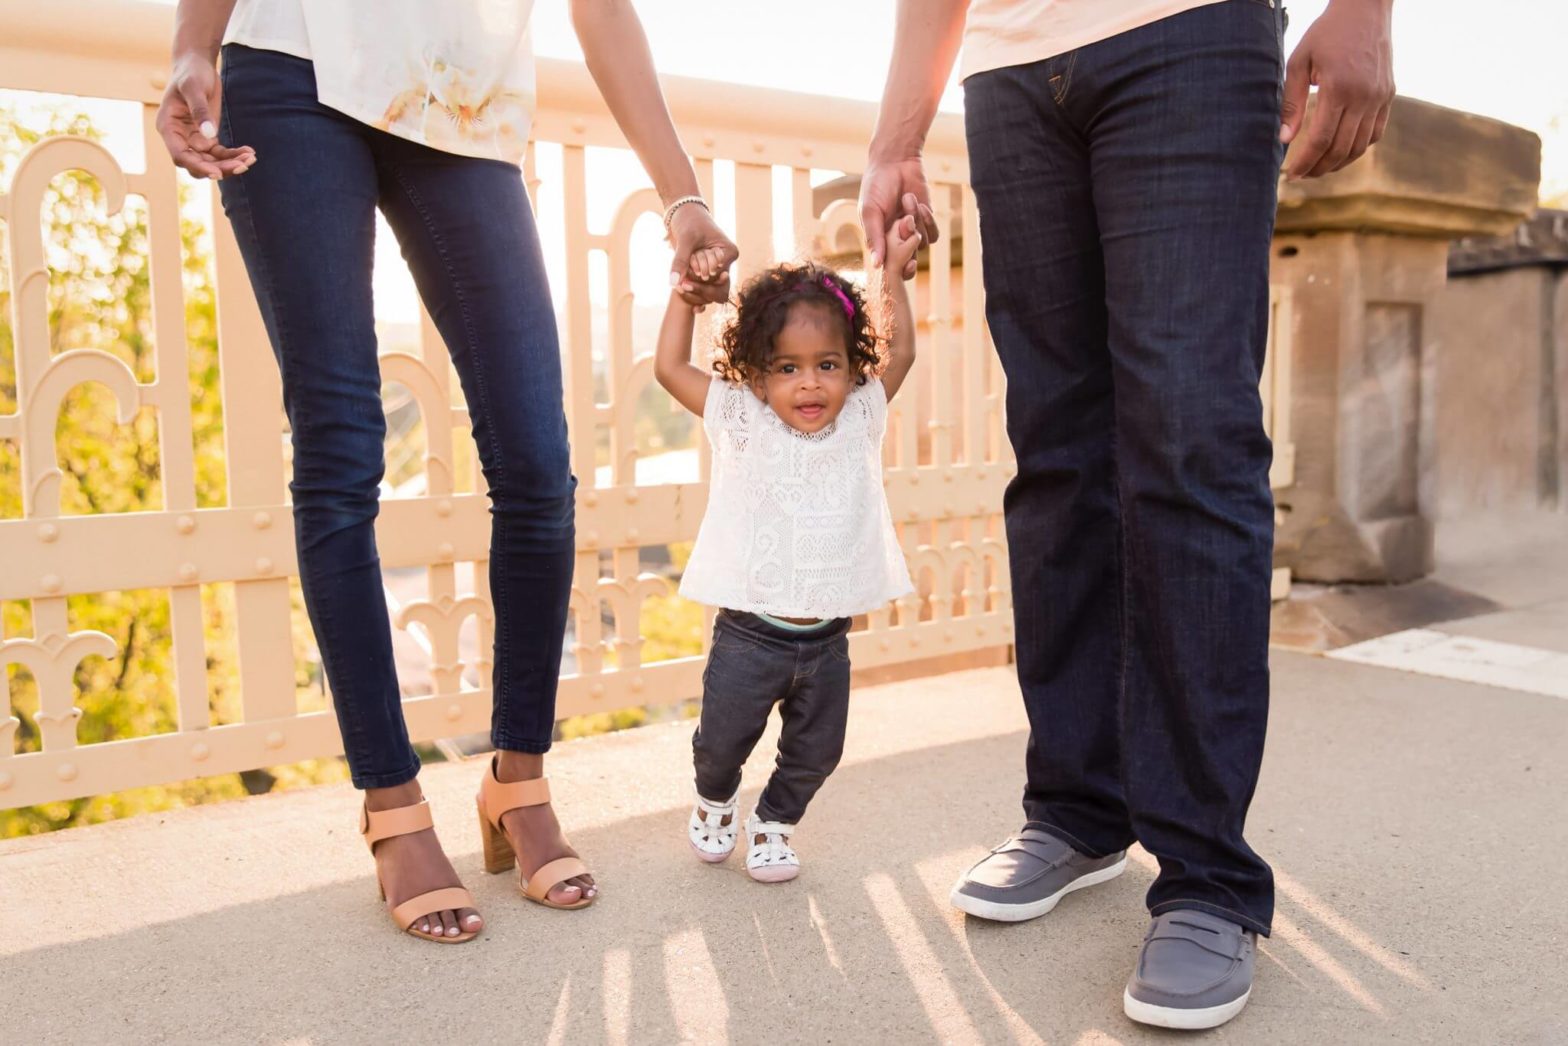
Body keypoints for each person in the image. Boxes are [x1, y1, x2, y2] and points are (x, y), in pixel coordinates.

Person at [155, 0, 737, 943]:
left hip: (465, 102)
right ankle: (392, 804)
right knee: (341, 448)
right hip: (293, 66)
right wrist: (191, 45)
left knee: (539, 464)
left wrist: (681, 197)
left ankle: (517, 780)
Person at [861, 0, 1394, 1029]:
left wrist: (1365, 10)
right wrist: (895, 135)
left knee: (1188, 443)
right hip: (1011, 71)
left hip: (1188, 35)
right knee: (1055, 456)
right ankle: (1074, 806)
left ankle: (1205, 876)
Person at [653, 218, 924, 883]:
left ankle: (774, 822)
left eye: (827, 365)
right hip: (749, 637)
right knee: (721, 746)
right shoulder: (742, 419)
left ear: (852, 365)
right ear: (756, 372)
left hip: (828, 642)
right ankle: (715, 802)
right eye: (788, 368)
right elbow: (668, 368)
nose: (810, 385)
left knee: (817, 752)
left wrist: (889, 274)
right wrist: (683, 298)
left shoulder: (860, 415)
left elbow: (905, 355)